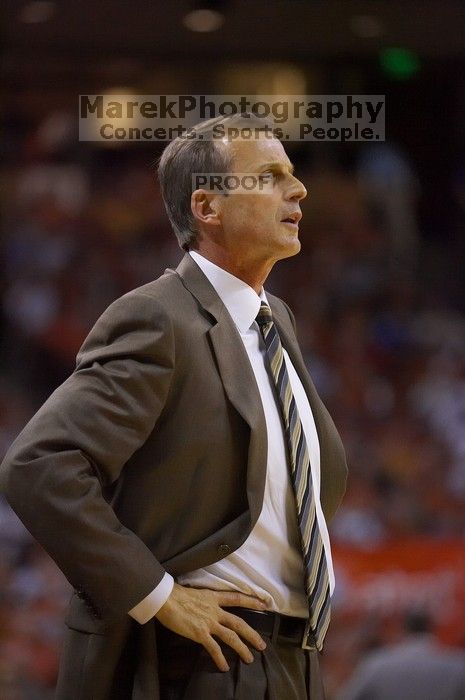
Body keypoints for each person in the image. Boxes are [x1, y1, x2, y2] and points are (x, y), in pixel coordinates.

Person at [0, 112, 347, 699]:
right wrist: (158, 595)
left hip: (295, 660)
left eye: (291, 173)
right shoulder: (159, 317)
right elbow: (40, 466)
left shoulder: (276, 319)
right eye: (268, 176)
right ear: (207, 208)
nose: (299, 189)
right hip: (201, 661)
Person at [337, 609, 465, 700]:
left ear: (404, 627)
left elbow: (349, 696)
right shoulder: (457, 664)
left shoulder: (377, 664)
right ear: (430, 626)